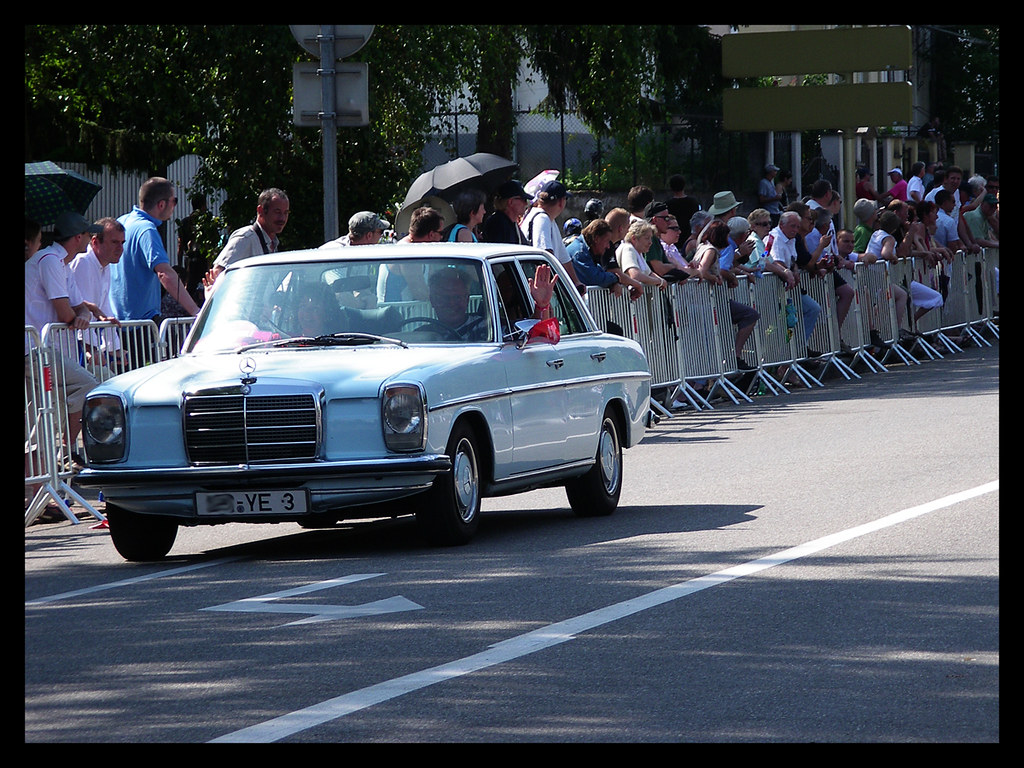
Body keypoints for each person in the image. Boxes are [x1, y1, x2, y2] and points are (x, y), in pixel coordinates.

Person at [25, 212, 107, 469]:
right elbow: (65, 312)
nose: (90, 239)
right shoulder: (50, 261)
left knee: (42, 420)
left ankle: (48, 483)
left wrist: (82, 313)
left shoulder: (58, 263)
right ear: (78, 238)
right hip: (37, 351)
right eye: (87, 234)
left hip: (44, 351)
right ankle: (67, 451)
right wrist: (78, 316)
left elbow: (79, 306)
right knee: (88, 386)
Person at [111, 177, 200, 323]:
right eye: (174, 201)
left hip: (117, 324)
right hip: (141, 325)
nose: (175, 206)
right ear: (161, 204)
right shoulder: (147, 229)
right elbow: (164, 273)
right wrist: (196, 312)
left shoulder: (121, 222)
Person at [689, 219, 759, 370]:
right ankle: (735, 356)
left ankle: (728, 362)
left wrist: (739, 272)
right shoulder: (711, 250)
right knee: (750, 315)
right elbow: (702, 271)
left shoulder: (703, 246)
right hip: (710, 300)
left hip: (705, 299)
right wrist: (715, 278)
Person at [68, 217, 126, 372]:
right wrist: (91, 349)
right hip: (73, 347)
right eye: (114, 242)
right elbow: (82, 310)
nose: (120, 248)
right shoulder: (83, 263)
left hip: (86, 346)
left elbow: (105, 310)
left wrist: (116, 348)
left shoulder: (105, 266)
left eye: (122, 243)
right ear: (95, 242)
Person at [764, 210, 822, 344]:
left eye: (797, 226)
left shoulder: (792, 238)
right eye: (792, 226)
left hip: (788, 287)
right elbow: (772, 261)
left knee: (811, 310)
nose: (795, 229)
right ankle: (776, 354)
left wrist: (794, 269)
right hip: (774, 287)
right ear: (781, 225)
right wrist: (787, 272)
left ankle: (800, 347)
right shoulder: (775, 237)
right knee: (777, 324)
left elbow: (792, 259)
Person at [520, 179, 584, 294]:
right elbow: (545, 253)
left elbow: (564, 258)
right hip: (538, 288)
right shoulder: (542, 219)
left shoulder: (547, 219)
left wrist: (576, 282)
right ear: (561, 202)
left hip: (539, 285)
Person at [210, 188, 290, 279]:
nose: (282, 218)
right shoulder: (245, 238)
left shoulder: (273, 243)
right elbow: (217, 273)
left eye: (286, 213)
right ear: (260, 211)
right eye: (277, 212)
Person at [567, 219, 642, 300]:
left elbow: (600, 272)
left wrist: (614, 283)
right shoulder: (580, 253)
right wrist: (615, 278)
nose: (608, 246)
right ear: (596, 239)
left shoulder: (586, 251)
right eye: (607, 241)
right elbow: (595, 278)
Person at [615, 220, 668, 292]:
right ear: (634, 238)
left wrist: (661, 280)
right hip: (625, 300)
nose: (650, 242)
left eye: (651, 238)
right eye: (647, 238)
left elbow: (649, 273)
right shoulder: (628, 248)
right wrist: (659, 282)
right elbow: (636, 275)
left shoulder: (638, 252)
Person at [483, 180, 531, 245]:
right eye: (523, 199)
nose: (526, 203)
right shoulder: (498, 224)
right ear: (510, 202)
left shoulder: (510, 222)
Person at [321, 210, 390, 248]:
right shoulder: (336, 252)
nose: (381, 236)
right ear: (369, 235)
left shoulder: (361, 253)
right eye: (380, 232)